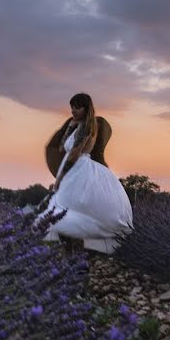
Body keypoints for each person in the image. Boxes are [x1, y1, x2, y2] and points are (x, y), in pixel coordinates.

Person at [38, 93, 133, 254]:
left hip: (78, 170)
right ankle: (73, 255)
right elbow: (62, 148)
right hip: (74, 169)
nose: (73, 110)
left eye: (77, 107)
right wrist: (70, 126)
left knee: (68, 214)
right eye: (71, 107)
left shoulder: (87, 127)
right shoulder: (78, 125)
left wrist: (60, 178)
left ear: (86, 108)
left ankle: (76, 256)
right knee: (65, 214)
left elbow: (74, 153)